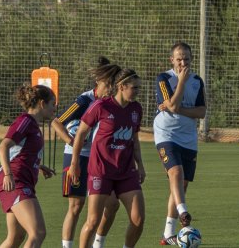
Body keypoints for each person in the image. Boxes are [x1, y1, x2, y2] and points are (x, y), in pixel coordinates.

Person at [70, 68, 147, 248]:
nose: (137, 92)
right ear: (121, 86)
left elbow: (134, 140)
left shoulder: (136, 109)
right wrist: (75, 163)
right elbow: (80, 134)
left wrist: (140, 165)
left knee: (138, 219)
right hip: (101, 171)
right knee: (93, 221)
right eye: (134, 88)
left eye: (138, 88)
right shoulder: (101, 106)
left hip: (126, 171)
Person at [50, 58, 121, 248]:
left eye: (114, 85)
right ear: (99, 81)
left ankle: (97, 244)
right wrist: (71, 141)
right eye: (109, 84)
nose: (111, 88)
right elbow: (57, 122)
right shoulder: (84, 100)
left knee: (112, 204)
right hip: (77, 157)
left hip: (102, 160)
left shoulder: (114, 103)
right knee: (76, 206)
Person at [153, 42, 207, 245]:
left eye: (187, 59)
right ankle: (183, 212)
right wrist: (181, 82)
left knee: (180, 187)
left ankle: (168, 233)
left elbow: (201, 112)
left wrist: (176, 109)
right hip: (166, 134)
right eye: (179, 59)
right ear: (172, 60)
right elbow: (173, 103)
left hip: (188, 137)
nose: (183, 62)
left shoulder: (197, 81)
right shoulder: (164, 78)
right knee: (175, 172)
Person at [0, 84, 58, 248]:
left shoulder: (33, 125)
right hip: (16, 182)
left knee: (15, 237)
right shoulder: (25, 121)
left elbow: (21, 152)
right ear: (42, 103)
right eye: (53, 104)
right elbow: (3, 147)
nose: (55, 108)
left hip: (21, 180)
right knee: (37, 233)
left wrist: (38, 165)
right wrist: (9, 175)